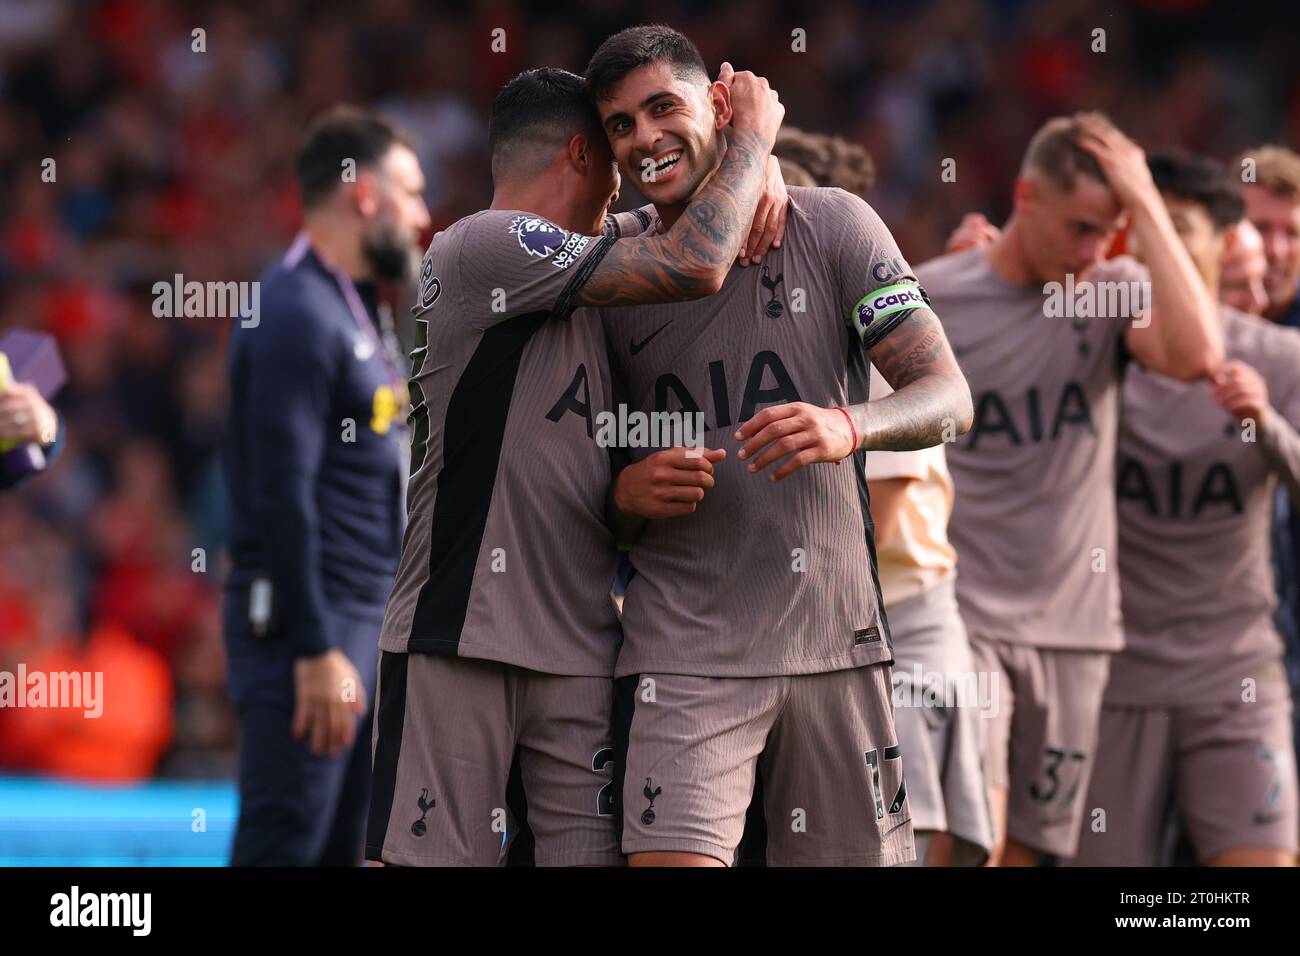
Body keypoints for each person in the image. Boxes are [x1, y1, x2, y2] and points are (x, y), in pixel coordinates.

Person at [365, 65, 784, 867]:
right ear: (581, 153)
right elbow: (696, 261)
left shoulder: (587, 276)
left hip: (581, 648)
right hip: (464, 629)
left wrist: (765, 170)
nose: (634, 170)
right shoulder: (487, 244)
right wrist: (756, 140)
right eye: (618, 149)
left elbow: (699, 221)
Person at [589, 24, 973, 867]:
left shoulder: (833, 225)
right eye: (622, 125)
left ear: (718, 105)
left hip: (835, 644)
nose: (646, 137)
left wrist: (850, 424)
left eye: (663, 108)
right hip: (682, 655)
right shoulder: (608, 270)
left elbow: (949, 397)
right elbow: (573, 466)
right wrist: (623, 493)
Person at [919, 113, 1223, 866]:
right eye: (1082, 228)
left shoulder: (1108, 293)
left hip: (1075, 627)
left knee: (1030, 849)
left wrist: (1145, 201)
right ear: (1025, 195)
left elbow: (1197, 355)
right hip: (967, 615)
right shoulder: (932, 293)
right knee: (968, 837)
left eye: (1110, 231)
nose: (1094, 251)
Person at [1062, 149, 1299, 867]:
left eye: (1181, 225)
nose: (1157, 240)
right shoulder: (1085, 345)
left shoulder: (1278, 358)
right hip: (1116, 672)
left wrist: (1269, 427)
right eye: (1144, 222)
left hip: (1234, 669)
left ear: (1225, 242)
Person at [222, 106, 429, 865]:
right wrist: (313, 648)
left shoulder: (360, 310)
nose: (423, 214)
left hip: (359, 625)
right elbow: (281, 491)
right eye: (411, 192)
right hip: (309, 635)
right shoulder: (292, 311)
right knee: (284, 850)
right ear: (364, 196)